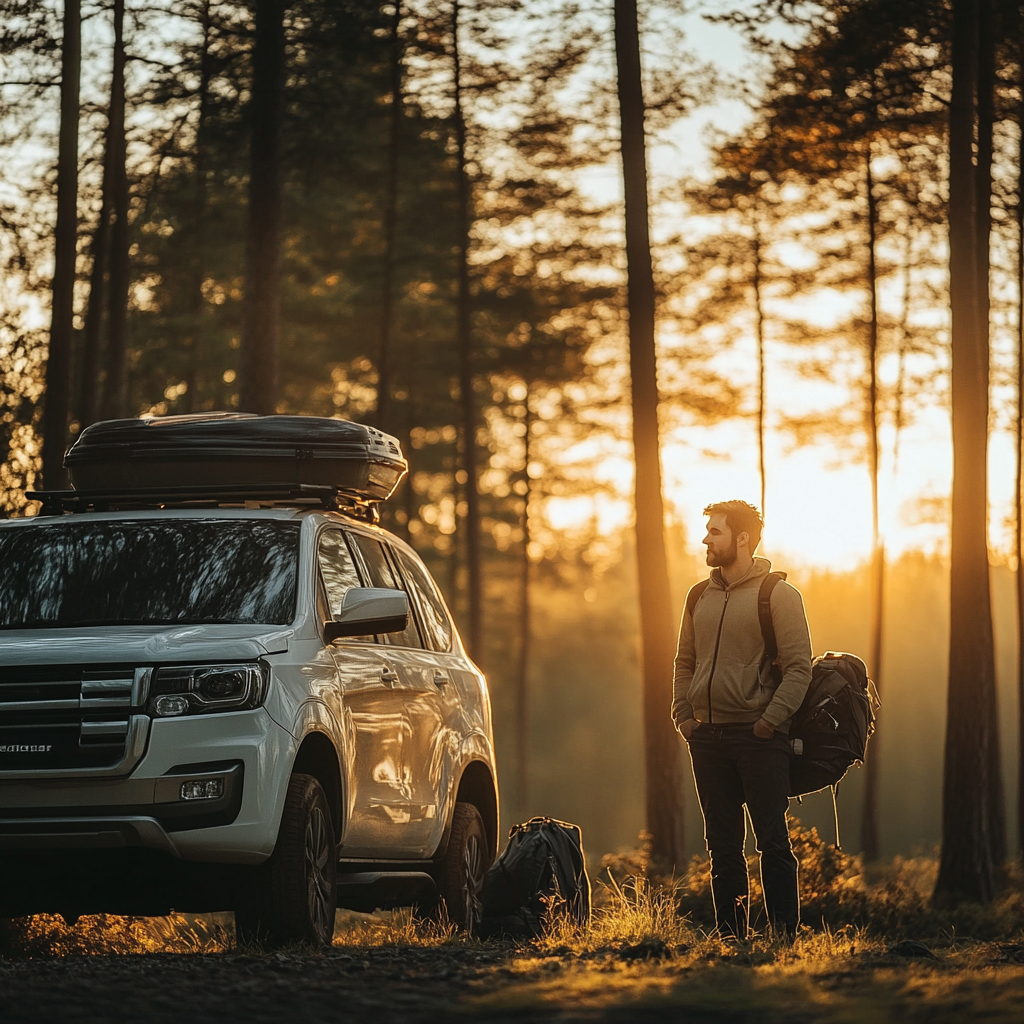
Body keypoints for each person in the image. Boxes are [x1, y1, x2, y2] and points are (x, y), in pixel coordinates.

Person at [672, 500, 812, 939]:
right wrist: (683, 716)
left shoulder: (779, 595)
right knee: (722, 845)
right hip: (706, 737)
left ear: (743, 538)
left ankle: (784, 936)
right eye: (708, 531)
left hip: (759, 738)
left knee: (772, 841)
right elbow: (684, 661)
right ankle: (732, 937)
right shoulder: (698, 595)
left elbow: (799, 669)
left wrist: (768, 722)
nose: (705, 539)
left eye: (715, 532)